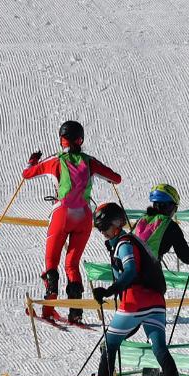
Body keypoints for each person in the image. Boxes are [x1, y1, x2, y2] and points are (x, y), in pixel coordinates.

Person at [88, 203, 184, 376]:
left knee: (109, 345)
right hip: (156, 302)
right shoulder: (127, 241)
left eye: (105, 227)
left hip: (135, 302)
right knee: (160, 348)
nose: (103, 233)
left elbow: (130, 272)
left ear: (117, 224)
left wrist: (109, 291)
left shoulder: (124, 244)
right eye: (100, 229)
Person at [23, 120, 122, 325]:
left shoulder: (55, 160)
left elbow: (27, 175)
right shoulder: (90, 161)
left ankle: (48, 308)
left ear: (62, 140)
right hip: (84, 216)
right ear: (80, 140)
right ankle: (75, 313)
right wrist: (107, 178)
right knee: (72, 264)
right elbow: (116, 178)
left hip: (62, 213)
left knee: (52, 261)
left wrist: (33, 161)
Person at [133, 183, 189, 267]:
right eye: (175, 208)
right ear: (169, 207)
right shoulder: (170, 226)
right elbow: (186, 257)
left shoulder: (142, 220)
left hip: (129, 266)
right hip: (149, 270)